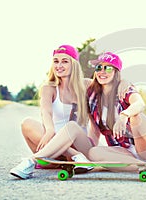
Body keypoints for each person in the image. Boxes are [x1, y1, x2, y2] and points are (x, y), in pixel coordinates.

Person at [10, 44, 94, 179]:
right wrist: (49, 130)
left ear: (74, 64)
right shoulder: (49, 88)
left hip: (79, 143)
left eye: (65, 61)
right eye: (56, 61)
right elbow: (46, 112)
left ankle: (32, 161)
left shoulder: (87, 84)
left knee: (71, 127)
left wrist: (126, 88)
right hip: (54, 147)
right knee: (27, 123)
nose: (59, 65)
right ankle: (73, 156)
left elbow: (113, 84)